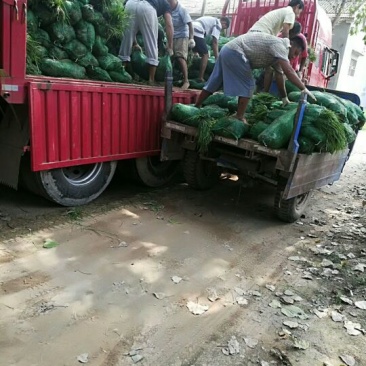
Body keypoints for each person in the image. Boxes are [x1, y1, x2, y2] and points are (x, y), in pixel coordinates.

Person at [195, 32, 316, 124]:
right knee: (249, 84)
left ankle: (197, 105)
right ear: (292, 44)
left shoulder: (278, 54)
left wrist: (284, 98)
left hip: (227, 49)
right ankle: (239, 116)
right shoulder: (281, 46)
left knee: (215, 80)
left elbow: (280, 76)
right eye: (296, 52)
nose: (295, 57)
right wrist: (303, 88)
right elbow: (289, 71)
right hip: (236, 52)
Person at [119, 0, 174, 84]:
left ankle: (121, 72)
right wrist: (170, 46)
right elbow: (169, 24)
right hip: (147, 8)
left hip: (130, 4)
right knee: (151, 42)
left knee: (126, 39)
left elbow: (130, 30)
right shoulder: (166, 4)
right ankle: (151, 79)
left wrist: (135, 43)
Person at [192, 16, 230, 82]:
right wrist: (217, 58)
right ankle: (200, 77)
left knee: (195, 52)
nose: (221, 30)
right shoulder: (218, 24)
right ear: (224, 23)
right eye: (223, 28)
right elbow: (214, 42)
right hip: (197, 30)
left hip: (191, 29)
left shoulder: (213, 20)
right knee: (205, 55)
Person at [168, 0, 195, 90]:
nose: (169, 3)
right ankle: (169, 80)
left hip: (182, 36)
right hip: (172, 36)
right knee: (170, 57)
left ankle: (186, 81)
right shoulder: (168, 8)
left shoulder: (182, 9)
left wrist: (191, 38)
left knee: (180, 57)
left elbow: (190, 24)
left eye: (170, 2)